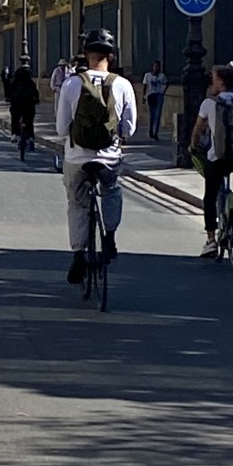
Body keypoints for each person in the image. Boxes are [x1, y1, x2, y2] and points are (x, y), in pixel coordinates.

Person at [55, 28, 137, 284]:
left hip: (77, 158)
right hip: (109, 157)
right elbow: (129, 128)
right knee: (111, 190)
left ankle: (78, 253)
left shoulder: (71, 84)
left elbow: (61, 128)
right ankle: (109, 237)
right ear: (110, 56)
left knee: (77, 202)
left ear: (86, 54)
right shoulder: (122, 85)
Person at [189, 64, 233, 258]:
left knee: (210, 197)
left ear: (220, 83)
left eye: (213, 79)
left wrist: (193, 147)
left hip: (217, 157)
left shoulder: (209, 103)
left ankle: (211, 240)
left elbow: (198, 130)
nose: (211, 82)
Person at [8, 66, 40, 149]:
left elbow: (9, 93)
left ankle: (14, 134)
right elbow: (36, 94)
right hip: (29, 106)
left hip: (16, 106)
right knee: (29, 122)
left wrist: (10, 99)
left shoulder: (15, 83)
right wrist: (36, 100)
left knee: (15, 119)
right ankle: (31, 137)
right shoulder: (30, 83)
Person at [141, 60, 168, 140]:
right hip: (150, 95)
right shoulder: (147, 75)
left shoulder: (162, 76)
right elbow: (145, 85)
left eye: (158, 66)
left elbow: (166, 83)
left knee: (158, 114)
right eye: (155, 66)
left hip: (158, 94)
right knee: (151, 114)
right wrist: (144, 96)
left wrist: (163, 92)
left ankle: (156, 132)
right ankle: (150, 130)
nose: (156, 68)